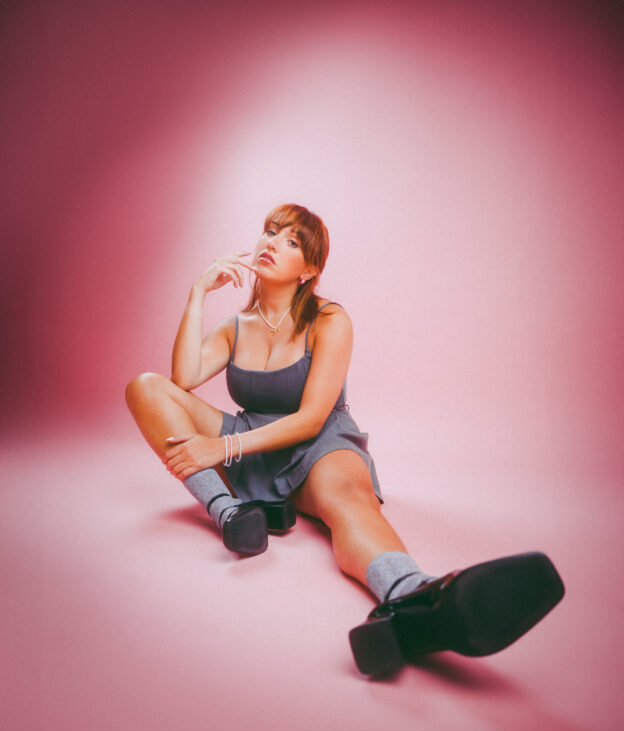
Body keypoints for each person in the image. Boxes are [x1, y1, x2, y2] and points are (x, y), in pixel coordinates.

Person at [125, 203, 564, 676]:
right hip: (250, 442)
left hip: (316, 445)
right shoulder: (234, 328)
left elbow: (311, 419)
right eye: (270, 232)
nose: (272, 243)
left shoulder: (329, 319)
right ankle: (229, 512)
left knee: (351, 501)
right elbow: (183, 378)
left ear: (308, 271)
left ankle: (415, 598)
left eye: (291, 241)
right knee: (146, 388)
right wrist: (197, 291)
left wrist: (222, 448)